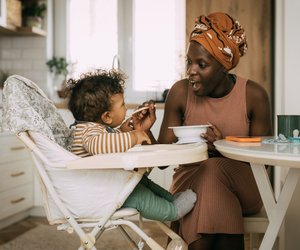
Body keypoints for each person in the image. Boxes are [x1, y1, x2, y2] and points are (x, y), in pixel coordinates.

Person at [158, 12, 272, 249]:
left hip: (243, 186)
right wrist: (143, 131)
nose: (191, 71)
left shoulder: (254, 96)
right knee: (209, 180)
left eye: (202, 64)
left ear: (224, 66)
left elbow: (266, 161)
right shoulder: (179, 93)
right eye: (189, 61)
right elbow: (161, 159)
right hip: (189, 183)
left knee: (211, 168)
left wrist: (223, 145)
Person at [66, 69, 197, 222]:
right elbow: (98, 146)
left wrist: (123, 131)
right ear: (107, 116)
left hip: (105, 188)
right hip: (99, 195)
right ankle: (172, 211)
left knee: (139, 180)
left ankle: (170, 199)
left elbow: (105, 143)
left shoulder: (93, 129)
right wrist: (133, 136)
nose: (126, 108)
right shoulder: (88, 131)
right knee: (137, 194)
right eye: (122, 105)